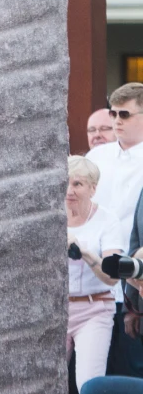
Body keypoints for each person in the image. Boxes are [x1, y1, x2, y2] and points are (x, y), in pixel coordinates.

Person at [91, 84, 143, 378]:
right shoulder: (97, 158)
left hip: (135, 286)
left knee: (133, 370)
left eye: (124, 113)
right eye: (113, 113)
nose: (116, 120)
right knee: (95, 372)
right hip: (93, 283)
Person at [66, 156, 121, 391]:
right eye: (65, 182)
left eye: (77, 184)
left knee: (89, 385)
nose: (69, 190)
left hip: (94, 309)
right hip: (54, 311)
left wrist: (86, 254)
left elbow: (112, 277)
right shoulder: (49, 217)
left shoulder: (107, 220)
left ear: (93, 188)